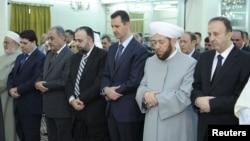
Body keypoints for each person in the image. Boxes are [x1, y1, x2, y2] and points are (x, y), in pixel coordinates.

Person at [191, 17, 250, 141]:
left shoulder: (245, 60)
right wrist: (197, 101)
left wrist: (211, 105)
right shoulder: (204, 58)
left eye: (216, 34)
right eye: (209, 34)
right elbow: (195, 86)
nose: (211, 38)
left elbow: (243, 99)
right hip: (203, 128)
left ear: (229, 35)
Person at [136, 22, 197, 141]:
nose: (156, 46)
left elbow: (185, 96)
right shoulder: (150, 62)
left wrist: (154, 99)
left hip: (176, 126)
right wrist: (144, 95)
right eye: (154, 42)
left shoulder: (190, 63)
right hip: (152, 124)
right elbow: (142, 86)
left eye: (161, 42)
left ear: (173, 41)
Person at [100, 10, 149, 141]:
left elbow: (134, 80)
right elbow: (106, 75)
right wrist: (105, 90)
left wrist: (112, 91)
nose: (114, 30)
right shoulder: (113, 48)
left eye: (117, 26)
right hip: (111, 110)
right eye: (112, 26)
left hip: (128, 111)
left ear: (127, 25)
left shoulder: (140, 50)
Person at [65, 26, 109, 141]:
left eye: (80, 41)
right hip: (76, 113)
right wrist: (71, 100)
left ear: (90, 40)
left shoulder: (102, 56)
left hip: (94, 113)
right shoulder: (75, 58)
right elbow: (69, 80)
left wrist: (81, 99)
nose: (77, 44)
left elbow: (99, 82)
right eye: (75, 40)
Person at [35, 26, 74, 141]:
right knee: (52, 137)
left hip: (62, 108)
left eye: (52, 38)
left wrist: (44, 85)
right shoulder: (49, 54)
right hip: (48, 107)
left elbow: (64, 81)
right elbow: (43, 74)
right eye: (48, 39)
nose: (49, 42)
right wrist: (37, 83)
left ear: (62, 38)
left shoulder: (70, 56)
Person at [7, 30, 45, 141]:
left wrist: (18, 89)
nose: (21, 46)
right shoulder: (20, 57)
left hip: (31, 106)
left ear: (33, 42)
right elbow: (11, 75)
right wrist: (10, 89)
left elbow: (35, 79)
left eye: (25, 43)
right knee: (21, 134)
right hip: (18, 104)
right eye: (21, 43)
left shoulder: (41, 57)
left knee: (31, 136)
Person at [0, 31, 21, 141]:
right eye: (4, 42)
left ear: (16, 44)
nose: (4, 45)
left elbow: (5, 79)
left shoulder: (18, 57)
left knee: (8, 126)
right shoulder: (2, 57)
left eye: (7, 42)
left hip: (7, 98)